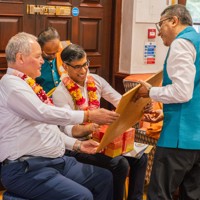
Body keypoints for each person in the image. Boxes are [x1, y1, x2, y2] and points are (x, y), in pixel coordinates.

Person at [0, 32, 120, 200]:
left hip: (55, 161)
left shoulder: (29, 84)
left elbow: (47, 129)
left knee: (103, 178)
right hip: (26, 168)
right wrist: (88, 115)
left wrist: (77, 145)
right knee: (83, 196)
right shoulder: (11, 84)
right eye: (38, 56)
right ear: (20, 58)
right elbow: (44, 114)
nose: (43, 61)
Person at [52, 43, 148, 200]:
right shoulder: (60, 94)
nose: (83, 71)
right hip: (78, 146)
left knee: (141, 158)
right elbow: (69, 130)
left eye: (85, 64)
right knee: (120, 164)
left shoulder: (96, 80)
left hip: (102, 139)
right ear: (65, 66)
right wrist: (93, 124)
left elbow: (120, 101)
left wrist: (141, 105)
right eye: (77, 67)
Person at [136, 4, 200, 200]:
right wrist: (168, 111)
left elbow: (182, 91)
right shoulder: (197, 40)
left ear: (174, 21)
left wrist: (150, 91)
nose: (158, 32)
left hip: (179, 138)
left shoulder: (181, 43)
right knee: (192, 195)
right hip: (196, 135)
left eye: (161, 24)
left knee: (158, 194)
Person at [36, 27, 69, 96]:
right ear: (40, 48)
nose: (54, 56)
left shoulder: (66, 53)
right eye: (49, 54)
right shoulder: (34, 62)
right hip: (44, 102)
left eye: (56, 52)